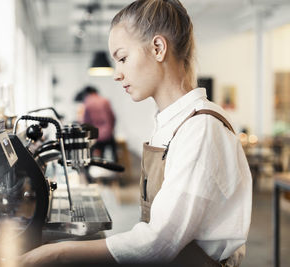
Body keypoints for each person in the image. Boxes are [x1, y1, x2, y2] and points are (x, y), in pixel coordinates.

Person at [19, 0, 252, 266]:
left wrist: (56, 253)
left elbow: (159, 243)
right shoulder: (170, 123)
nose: (117, 74)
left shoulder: (200, 129)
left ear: (158, 48)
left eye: (123, 58)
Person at [81, 86, 117, 162]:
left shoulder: (87, 102)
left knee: (93, 153)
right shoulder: (105, 100)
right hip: (108, 134)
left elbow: (86, 122)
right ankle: (117, 167)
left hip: (95, 136)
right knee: (113, 152)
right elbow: (113, 117)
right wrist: (111, 129)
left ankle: (94, 168)